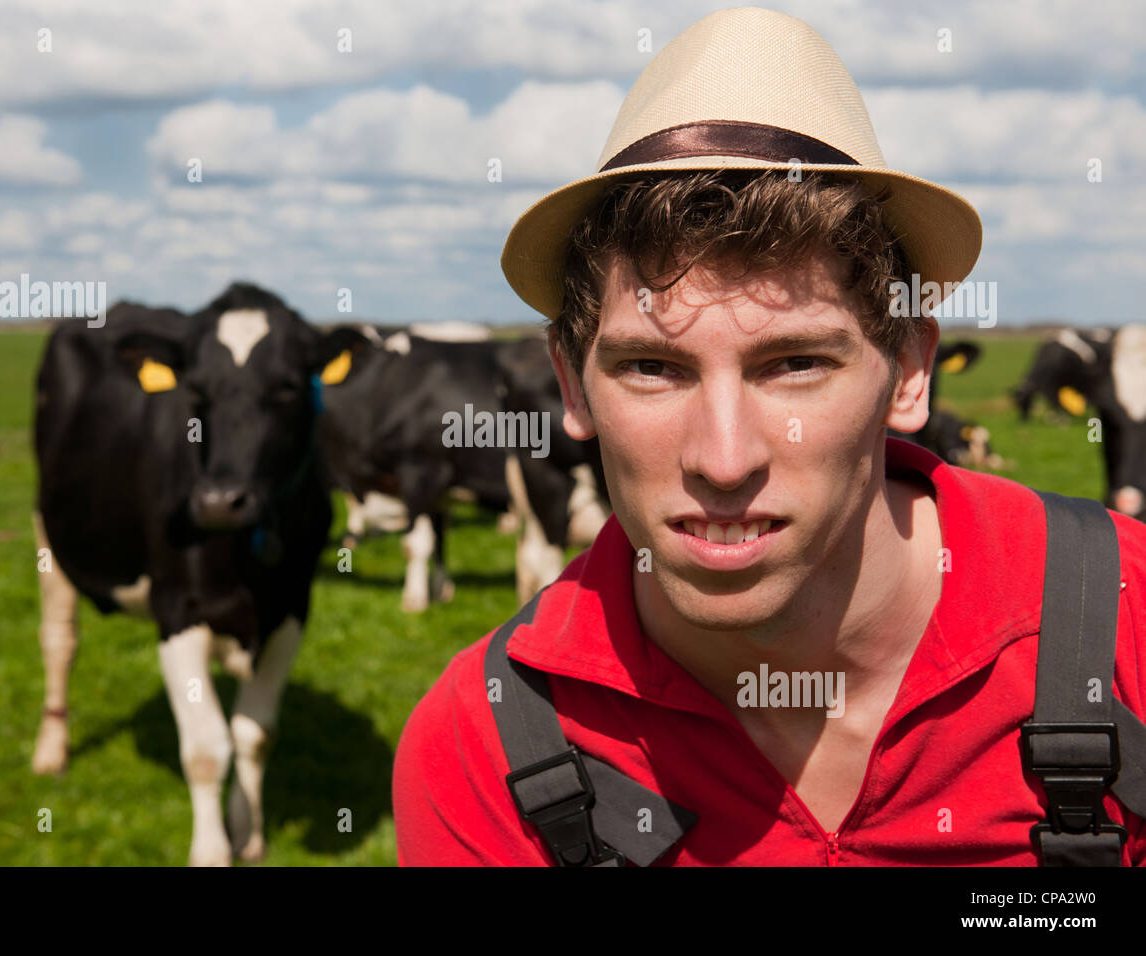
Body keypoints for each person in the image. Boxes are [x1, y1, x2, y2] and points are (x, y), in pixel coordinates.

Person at [391, 6, 1146, 865]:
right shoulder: (485, 749)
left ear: (908, 371)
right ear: (571, 384)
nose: (723, 460)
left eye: (794, 364)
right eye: (652, 368)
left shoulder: (1126, 623)